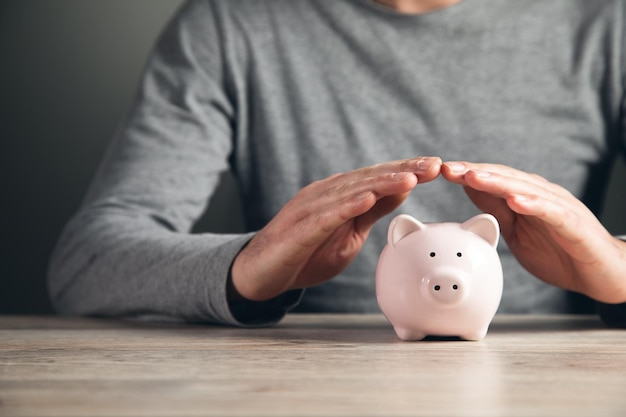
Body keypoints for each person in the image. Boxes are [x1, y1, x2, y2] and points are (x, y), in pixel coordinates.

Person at [48, 0, 626, 327]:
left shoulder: (606, 25)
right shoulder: (229, 23)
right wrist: (251, 267)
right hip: (291, 377)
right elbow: (87, 262)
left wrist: (614, 271)